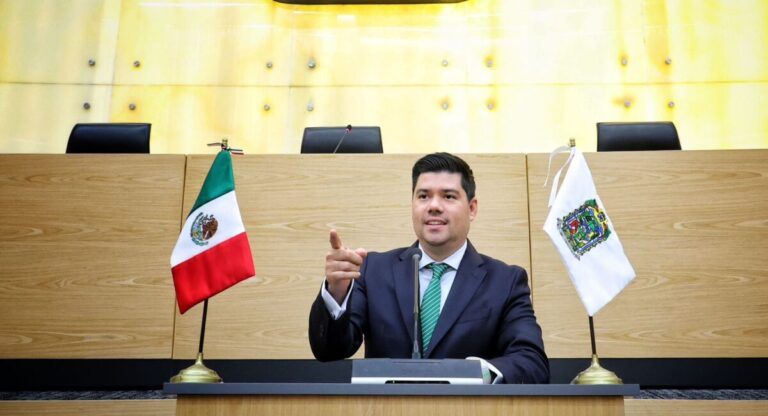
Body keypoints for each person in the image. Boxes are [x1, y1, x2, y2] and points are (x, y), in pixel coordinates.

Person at [308, 152, 549, 383]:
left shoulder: (504, 281)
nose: (434, 206)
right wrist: (336, 293)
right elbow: (329, 350)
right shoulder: (373, 270)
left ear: (472, 208)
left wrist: (476, 373)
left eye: (449, 196)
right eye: (423, 196)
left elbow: (532, 363)